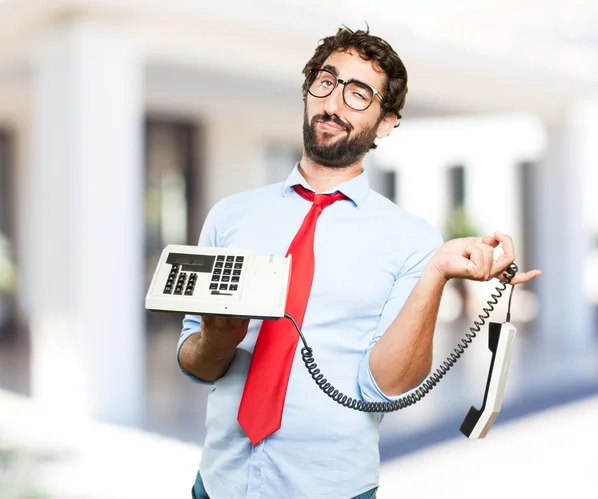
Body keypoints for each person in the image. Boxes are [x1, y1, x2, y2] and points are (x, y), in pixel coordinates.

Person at [177, 26, 541, 499]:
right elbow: (196, 364)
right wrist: (216, 340)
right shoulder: (230, 216)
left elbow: (387, 387)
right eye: (325, 82)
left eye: (358, 94)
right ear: (308, 87)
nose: (332, 104)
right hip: (218, 485)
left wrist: (436, 274)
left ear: (387, 122)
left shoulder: (413, 241)